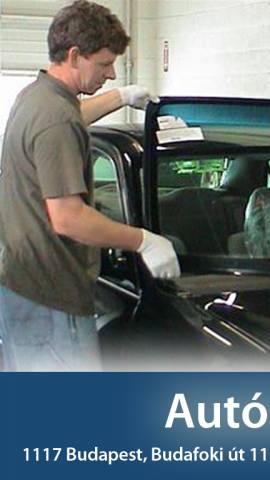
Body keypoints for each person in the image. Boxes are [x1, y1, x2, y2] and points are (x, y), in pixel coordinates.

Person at [0, 0, 180, 371]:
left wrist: (122, 97)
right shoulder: (56, 119)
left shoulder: (36, 98)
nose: (111, 73)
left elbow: (70, 118)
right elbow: (68, 218)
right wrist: (142, 240)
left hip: (22, 286)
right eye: (104, 64)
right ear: (74, 55)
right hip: (52, 297)